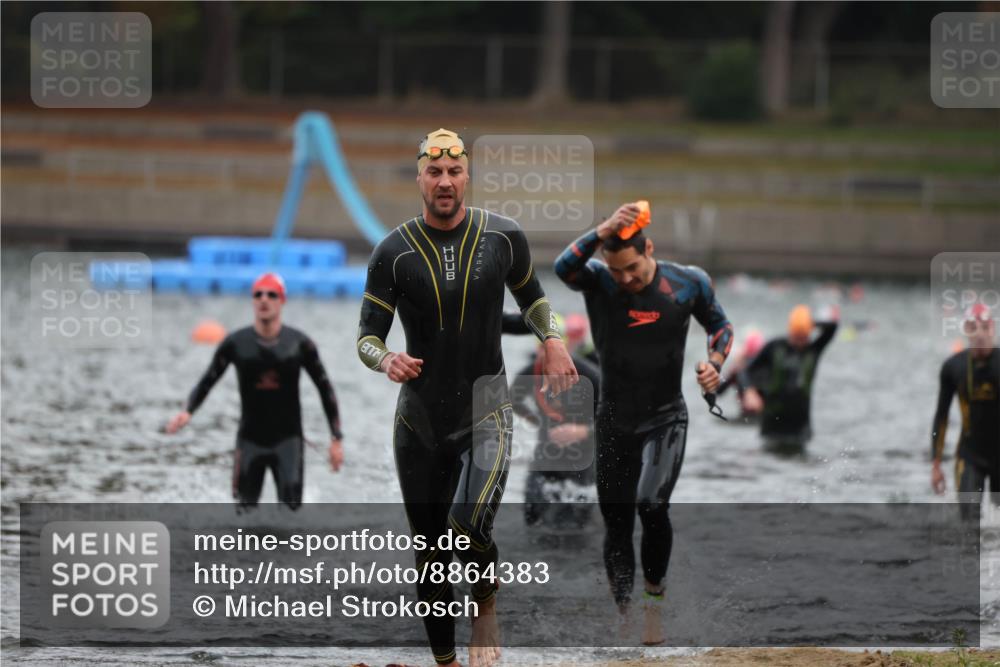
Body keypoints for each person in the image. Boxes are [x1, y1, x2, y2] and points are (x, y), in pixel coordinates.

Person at [356, 129, 578, 667]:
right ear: (420, 180)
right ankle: (446, 662)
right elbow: (366, 337)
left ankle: (486, 606)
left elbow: (536, 301)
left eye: (454, 172)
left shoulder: (502, 237)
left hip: (487, 409)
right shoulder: (392, 252)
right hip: (419, 420)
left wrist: (552, 340)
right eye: (435, 173)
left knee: (466, 524)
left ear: (467, 176)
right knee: (431, 553)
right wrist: (387, 360)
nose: (446, 182)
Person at [554, 202, 733, 645]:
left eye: (632, 268)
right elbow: (563, 266)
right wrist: (601, 230)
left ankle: (653, 610)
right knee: (616, 524)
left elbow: (721, 326)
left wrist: (715, 362)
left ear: (648, 247)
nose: (626, 279)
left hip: (664, 418)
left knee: (652, 505)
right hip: (614, 420)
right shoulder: (597, 281)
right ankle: (624, 616)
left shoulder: (688, 283)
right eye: (617, 272)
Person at [166, 272, 344, 510]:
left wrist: (336, 439)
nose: (264, 299)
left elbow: (325, 388)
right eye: (258, 294)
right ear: (252, 301)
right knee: (243, 515)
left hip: (288, 442)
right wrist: (188, 411)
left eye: (271, 294)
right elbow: (208, 379)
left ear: (282, 301)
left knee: (291, 517)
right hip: (250, 440)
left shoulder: (299, 344)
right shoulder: (235, 343)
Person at [504, 312, 601, 527]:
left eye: (551, 349)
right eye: (541, 348)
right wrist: (537, 421)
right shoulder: (530, 372)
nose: (545, 356)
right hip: (545, 456)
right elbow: (511, 402)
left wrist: (582, 431)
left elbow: (615, 417)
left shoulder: (590, 375)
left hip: (582, 460)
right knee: (532, 518)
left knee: (574, 527)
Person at [931, 303, 1000, 520]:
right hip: (970, 455)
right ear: (966, 331)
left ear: (993, 329)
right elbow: (941, 417)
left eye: (985, 328)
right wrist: (936, 464)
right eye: (973, 327)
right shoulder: (954, 367)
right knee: (969, 525)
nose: (979, 334)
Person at [740, 304, 839, 453]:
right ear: (790, 331)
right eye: (797, 336)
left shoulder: (814, 349)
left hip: (800, 428)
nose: (800, 341)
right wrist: (749, 392)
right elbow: (745, 371)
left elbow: (833, 327)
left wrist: (808, 322)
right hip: (772, 426)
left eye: (804, 336)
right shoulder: (775, 347)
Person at [716, 329, 765, 423]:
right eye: (749, 359)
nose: (751, 363)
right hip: (748, 417)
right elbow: (718, 391)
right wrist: (731, 371)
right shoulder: (738, 371)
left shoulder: (765, 370)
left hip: (759, 416)